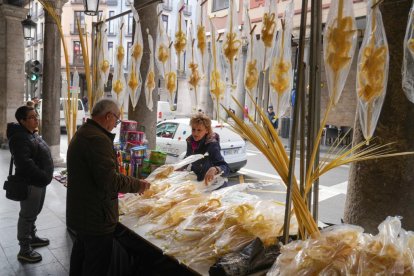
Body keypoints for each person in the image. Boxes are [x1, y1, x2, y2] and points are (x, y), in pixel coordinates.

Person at [66, 98, 150, 276]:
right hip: (95, 216)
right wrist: (138, 185)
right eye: (117, 120)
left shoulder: (84, 132)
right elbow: (110, 180)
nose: (116, 125)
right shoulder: (97, 139)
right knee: (95, 264)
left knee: (81, 255)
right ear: (108, 116)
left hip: (84, 212)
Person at [6, 106, 54, 263]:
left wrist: (45, 177)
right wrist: (42, 176)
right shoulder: (19, 138)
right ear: (22, 121)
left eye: (36, 115)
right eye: (32, 117)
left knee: (33, 212)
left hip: (39, 181)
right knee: (27, 215)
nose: (36, 119)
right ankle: (24, 249)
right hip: (31, 182)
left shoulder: (30, 133)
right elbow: (24, 164)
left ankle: (32, 237)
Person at [185, 113, 230, 184]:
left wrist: (215, 169)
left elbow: (225, 167)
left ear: (207, 130)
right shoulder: (190, 141)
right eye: (193, 129)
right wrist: (176, 167)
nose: (195, 133)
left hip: (214, 184)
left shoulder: (212, 144)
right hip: (199, 182)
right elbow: (188, 159)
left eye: (199, 130)